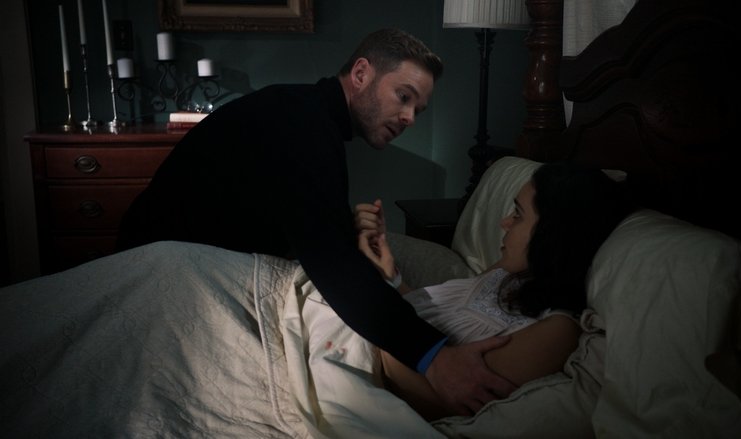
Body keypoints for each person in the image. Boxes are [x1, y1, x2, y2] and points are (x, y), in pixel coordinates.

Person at [115, 28, 512, 415]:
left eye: (417, 110)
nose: (409, 117)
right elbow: (332, 262)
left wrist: (343, 227)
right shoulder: (303, 124)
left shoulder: (306, 113)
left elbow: (291, 215)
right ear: (361, 74)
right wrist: (435, 358)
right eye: (403, 97)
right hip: (162, 275)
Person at [354, 161, 636, 420]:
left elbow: (433, 403)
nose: (505, 223)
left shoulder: (556, 332)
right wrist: (390, 277)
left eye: (518, 214)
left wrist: (377, 310)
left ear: (554, 235)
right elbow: (431, 313)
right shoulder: (508, 272)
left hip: (374, 359)